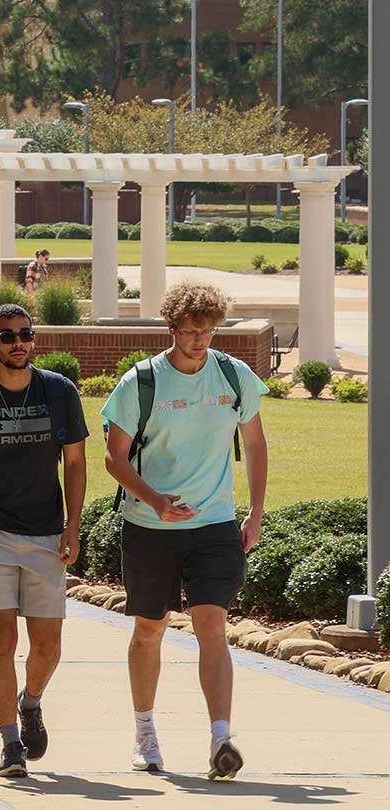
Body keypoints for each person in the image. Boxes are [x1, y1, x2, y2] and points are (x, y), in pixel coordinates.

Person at [102, 281, 268, 781]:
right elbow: (114, 457)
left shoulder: (233, 376)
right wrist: (154, 499)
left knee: (212, 626)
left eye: (208, 331)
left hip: (215, 523)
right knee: (149, 630)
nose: (200, 340)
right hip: (151, 525)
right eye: (191, 331)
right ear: (171, 328)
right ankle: (145, 732)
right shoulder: (142, 382)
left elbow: (256, 445)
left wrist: (256, 512)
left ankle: (222, 737)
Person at [0, 303, 88, 779]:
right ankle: (10, 743)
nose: (18, 342)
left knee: (47, 646)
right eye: (7, 336)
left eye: (25, 334)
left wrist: (73, 527)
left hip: (47, 533)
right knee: (1, 638)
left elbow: (75, 463)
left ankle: (31, 702)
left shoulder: (59, 392)